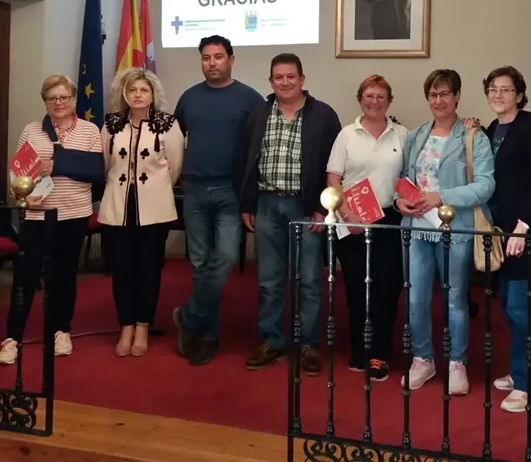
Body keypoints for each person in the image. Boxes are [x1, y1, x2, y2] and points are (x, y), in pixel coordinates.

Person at [238, 53, 341, 375]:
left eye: (291, 76)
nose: (285, 82)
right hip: (267, 205)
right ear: (271, 82)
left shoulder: (323, 115)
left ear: (302, 79)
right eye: (279, 77)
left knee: (309, 280)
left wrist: (324, 209)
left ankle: (308, 344)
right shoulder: (258, 113)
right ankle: (272, 341)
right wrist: (248, 203)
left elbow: (336, 165)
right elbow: (246, 160)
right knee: (269, 281)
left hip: (306, 208)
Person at [397, 69, 495, 396]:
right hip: (417, 229)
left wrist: (442, 197)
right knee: (415, 298)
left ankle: (457, 362)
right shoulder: (416, 135)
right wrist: (400, 201)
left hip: (455, 230)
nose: (438, 101)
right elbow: (403, 179)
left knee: (455, 299)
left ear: (457, 96)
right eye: (433, 95)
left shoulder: (473, 137)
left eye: (445, 94)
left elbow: (485, 186)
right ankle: (423, 358)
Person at [0, 75, 103, 366]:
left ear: (74, 100)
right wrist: (23, 193)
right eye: (51, 98)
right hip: (37, 213)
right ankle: (12, 337)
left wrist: (57, 165)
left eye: (64, 97)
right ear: (44, 101)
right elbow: (18, 171)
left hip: (74, 213)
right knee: (26, 275)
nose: (58, 103)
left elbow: (96, 172)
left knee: (64, 274)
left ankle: (60, 330)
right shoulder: (32, 130)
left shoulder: (90, 130)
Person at [172, 36, 263, 366]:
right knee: (200, 264)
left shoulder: (250, 99)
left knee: (224, 258)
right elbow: (173, 139)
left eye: (218, 56)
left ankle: (189, 316)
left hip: (230, 191)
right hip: (194, 189)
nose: (212, 63)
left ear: (231, 59)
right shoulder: (189, 98)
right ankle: (207, 336)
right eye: (206, 57)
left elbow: (258, 148)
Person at [480, 66, 531, 412]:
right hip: (501, 233)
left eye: (506, 89)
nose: (498, 95)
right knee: (509, 307)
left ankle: (529, 387)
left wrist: (523, 227)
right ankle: (524, 371)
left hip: (525, 232)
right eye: (493, 89)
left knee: (521, 309)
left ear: (520, 94)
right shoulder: (492, 129)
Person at [326, 75, 408, 382]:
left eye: (381, 96)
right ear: (360, 99)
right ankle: (360, 349)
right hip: (353, 221)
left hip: (390, 219)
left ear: (389, 101)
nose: (375, 101)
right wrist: (348, 215)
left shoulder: (402, 134)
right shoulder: (347, 134)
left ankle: (379, 354)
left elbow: (410, 177)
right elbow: (333, 178)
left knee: (386, 290)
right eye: (369, 96)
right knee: (357, 289)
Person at [98, 67, 183, 357]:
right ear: (124, 94)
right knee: (122, 269)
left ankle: (143, 326)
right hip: (117, 206)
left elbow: (174, 167)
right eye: (132, 90)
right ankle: (126, 326)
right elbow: (106, 164)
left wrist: (154, 187)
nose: (137, 95)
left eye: (143, 90)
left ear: (153, 94)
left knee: (149, 269)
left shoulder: (168, 125)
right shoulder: (111, 125)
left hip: (154, 208)